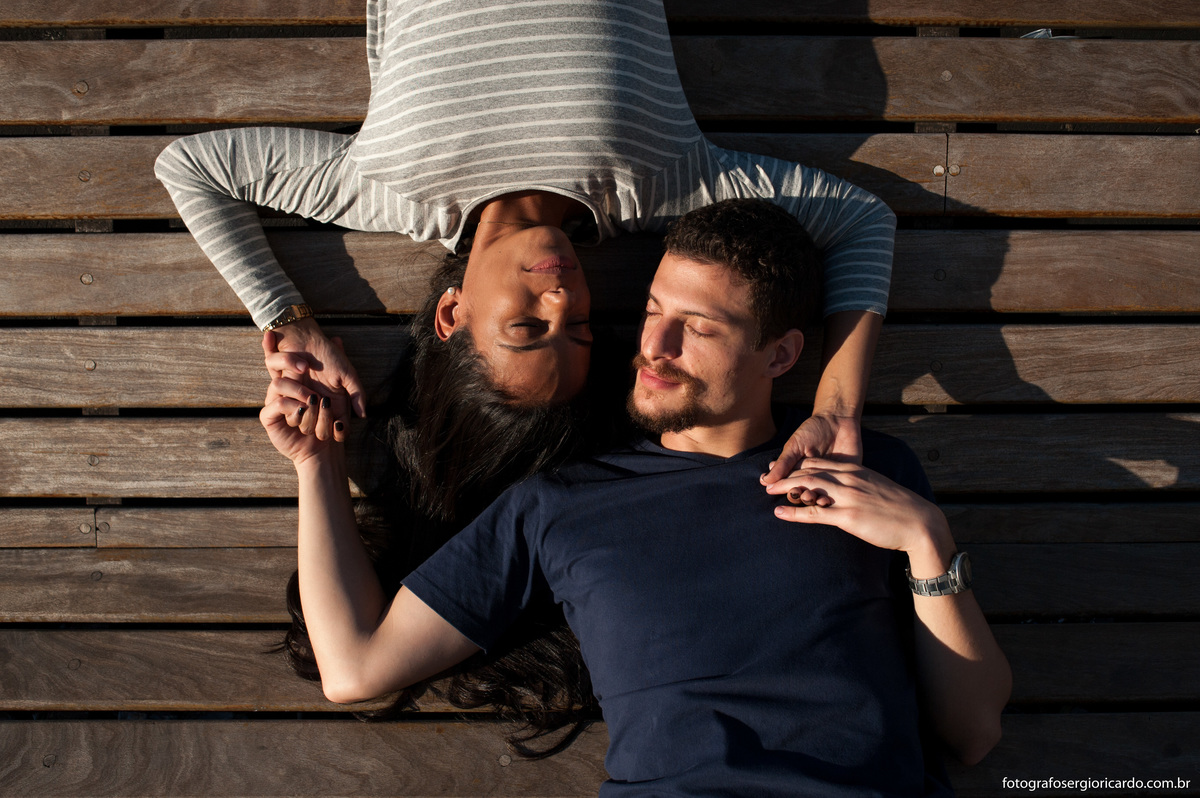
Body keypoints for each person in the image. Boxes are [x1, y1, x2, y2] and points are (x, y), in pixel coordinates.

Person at [261, 199, 1012, 795]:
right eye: (653, 311)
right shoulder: (561, 506)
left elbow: (972, 731)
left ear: (781, 354)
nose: (655, 347)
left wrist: (926, 542)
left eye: (698, 328)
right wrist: (317, 466)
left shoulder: (868, 472)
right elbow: (354, 670)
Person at [155, 0, 896, 483]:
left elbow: (190, 167)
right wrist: (835, 409)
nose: (562, 292)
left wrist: (288, 320)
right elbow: (863, 221)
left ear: (450, 316)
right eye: (575, 326)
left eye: (526, 326)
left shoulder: (384, 191)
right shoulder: (662, 182)